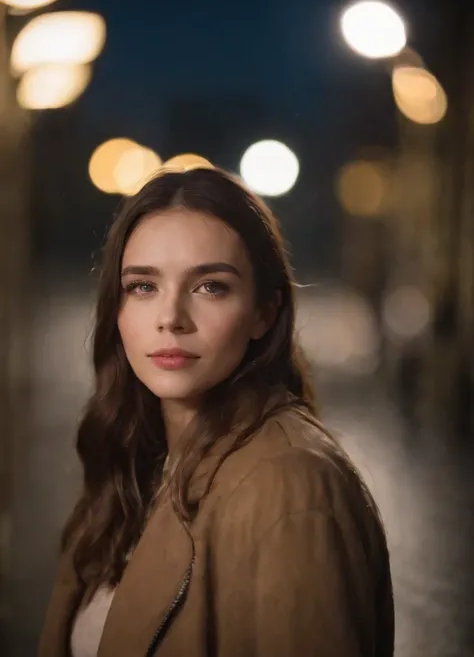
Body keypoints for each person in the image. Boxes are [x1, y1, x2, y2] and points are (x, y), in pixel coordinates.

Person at [38, 166, 394, 657]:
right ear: (115, 307)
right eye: (143, 286)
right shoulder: (133, 460)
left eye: (210, 287)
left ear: (264, 313)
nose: (170, 319)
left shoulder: (291, 486)